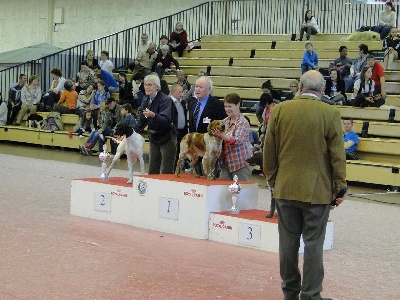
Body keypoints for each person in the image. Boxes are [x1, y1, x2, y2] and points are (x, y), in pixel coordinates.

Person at [263, 70, 347, 300]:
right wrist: (340, 187)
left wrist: (273, 181)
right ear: (321, 90)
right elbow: (337, 155)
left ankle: (290, 292)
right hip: (317, 192)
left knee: (287, 244)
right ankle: (311, 295)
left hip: (285, 188)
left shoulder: (280, 110)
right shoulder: (330, 113)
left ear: (300, 87)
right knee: (313, 245)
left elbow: (268, 151)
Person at [133, 73, 177, 174]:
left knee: (166, 170)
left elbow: (166, 120)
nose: (147, 87)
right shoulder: (145, 100)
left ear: (157, 87)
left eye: (150, 85)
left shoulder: (166, 100)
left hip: (167, 137)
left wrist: (154, 115)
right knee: (153, 169)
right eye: (145, 85)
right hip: (154, 137)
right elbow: (141, 120)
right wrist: (131, 133)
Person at [212, 93, 253, 181]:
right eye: (225, 106)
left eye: (230, 106)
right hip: (225, 164)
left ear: (238, 105)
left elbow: (236, 141)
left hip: (240, 164)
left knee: (242, 191)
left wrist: (222, 136)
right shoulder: (224, 121)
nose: (227, 109)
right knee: (224, 192)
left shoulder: (243, 122)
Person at [170, 83, 187, 165]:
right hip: (172, 132)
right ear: (173, 92)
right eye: (180, 92)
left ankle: (177, 169)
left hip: (182, 132)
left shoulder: (182, 103)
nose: (182, 94)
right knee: (172, 153)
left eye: (182, 92)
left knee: (179, 153)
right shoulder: (168, 102)